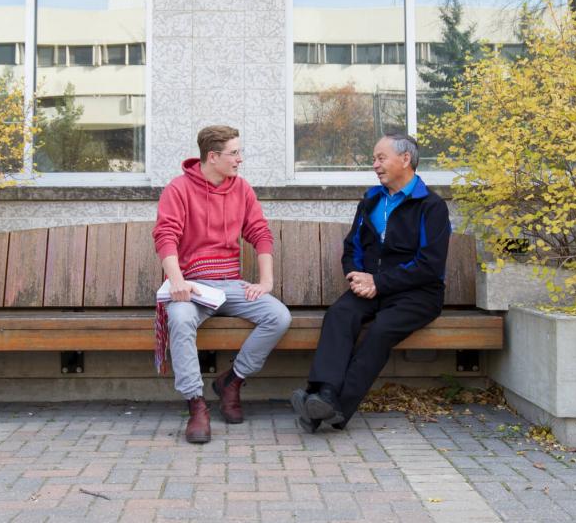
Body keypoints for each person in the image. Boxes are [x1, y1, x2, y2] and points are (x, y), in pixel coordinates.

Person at [290, 134, 451, 432]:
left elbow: (430, 265)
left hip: (418, 294)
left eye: (381, 158)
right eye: (374, 159)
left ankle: (333, 407)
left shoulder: (432, 206)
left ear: (405, 159)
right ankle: (323, 393)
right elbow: (353, 246)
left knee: (380, 331)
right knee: (340, 314)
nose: (374, 165)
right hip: (371, 287)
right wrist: (355, 275)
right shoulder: (372, 199)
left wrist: (379, 282)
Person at [153, 125, 291, 444]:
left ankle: (231, 381)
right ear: (213, 157)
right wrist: (177, 282)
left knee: (279, 316)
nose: (240, 159)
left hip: (229, 283)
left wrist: (265, 282)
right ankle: (196, 404)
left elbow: (260, 233)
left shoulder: (241, 189)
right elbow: (165, 236)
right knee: (180, 318)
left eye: (240, 152)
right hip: (193, 285)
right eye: (234, 153)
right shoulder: (178, 189)